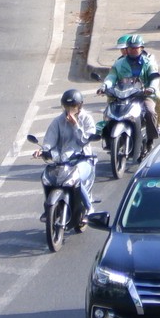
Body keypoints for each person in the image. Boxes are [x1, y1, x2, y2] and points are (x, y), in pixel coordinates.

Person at [39, 89, 97, 223]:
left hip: (83, 160)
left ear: (80, 106)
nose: (69, 110)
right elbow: (49, 140)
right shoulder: (58, 121)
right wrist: (44, 150)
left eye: (73, 107)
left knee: (75, 178)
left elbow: (84, 140)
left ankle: (89, 208)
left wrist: (75, 125)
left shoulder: (86, 119)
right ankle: (49, 208)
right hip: (63, 162)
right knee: (46, 177)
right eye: (67, 107)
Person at [102, 33, 160, 147]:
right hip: (124, 95)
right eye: (130, 48)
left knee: (150, 111)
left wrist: (151, 88)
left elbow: (154, 77)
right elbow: (111, 76)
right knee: (109, 112)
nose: (133, 50)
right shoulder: (119, 63)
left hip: (143, 95)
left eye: (136, 48)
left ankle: (150, 139)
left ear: (142, 48)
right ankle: (108, 138)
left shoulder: (148, 62)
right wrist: (105, 85)